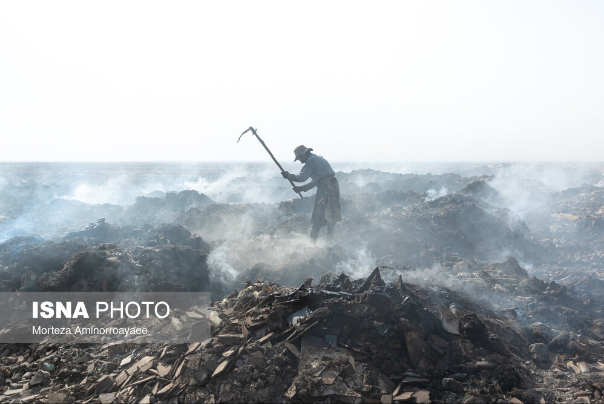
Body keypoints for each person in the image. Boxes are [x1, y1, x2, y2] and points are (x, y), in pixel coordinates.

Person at [282, 145, 341, 241]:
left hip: (325, 188)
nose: (301, 161)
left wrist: (289, 176)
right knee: (331, 214)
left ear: (304, 154)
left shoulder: (311, 161)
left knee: (317, 215)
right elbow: (317, 181)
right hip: (333, 186)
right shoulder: (318, 158)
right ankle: (329, 243)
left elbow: (302, 178)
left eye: (300, 158)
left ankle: (312, 243)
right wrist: (301, 189)